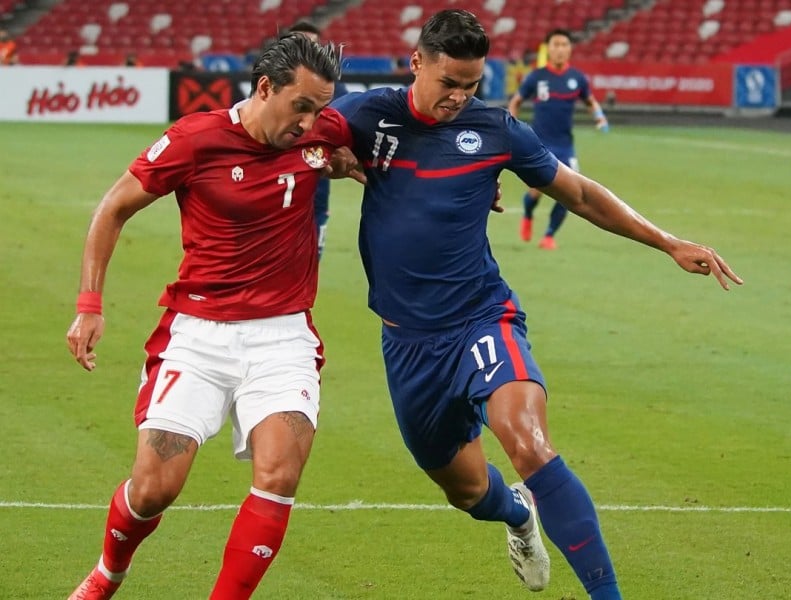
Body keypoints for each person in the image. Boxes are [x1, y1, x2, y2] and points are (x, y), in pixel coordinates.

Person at [331, 9, 742, 599]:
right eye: (449, 83)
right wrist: (330, 158)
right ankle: (519, 518)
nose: (459, 98)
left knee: (527, 441)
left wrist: (668, 241)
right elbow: (293, 135)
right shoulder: (367, 115)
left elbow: (578, 192)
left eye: (471, 86)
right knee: (467, 491)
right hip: (408, 342)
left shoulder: (495, 130)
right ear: (417, 63)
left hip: (480, 316)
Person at [66, 34, 361, 600]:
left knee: (278, 477)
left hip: (283, 337)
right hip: (197, 334)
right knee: (153, 489)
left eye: (320, 109)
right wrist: (88, 306)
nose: (310, 122)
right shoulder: (195, 140)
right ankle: (108, 572)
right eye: (300, 106)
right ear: (266, 87)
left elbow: (402, 149)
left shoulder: (325, 133)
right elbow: (113, 209)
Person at [508, 28, 609, 249]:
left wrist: (600, 117)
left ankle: (549, 235)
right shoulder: (537, 76)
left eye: (564, 45)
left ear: (570, 49)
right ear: (548, 49)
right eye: (556, 45)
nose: (560, 50)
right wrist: (511, 126)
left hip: (565, 146)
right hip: (539, 144)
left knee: (571, 194)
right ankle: (527, 214)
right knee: (535, 192)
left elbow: (590, 100)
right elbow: (516, 101)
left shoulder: (577, 78)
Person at [288, 20, 349, 260]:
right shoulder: (266, 85)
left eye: (311, 45)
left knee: (309, 264)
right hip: (271, 193)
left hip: (315, 195)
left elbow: (345, 125)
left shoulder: (331, 87)